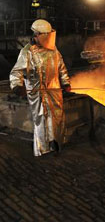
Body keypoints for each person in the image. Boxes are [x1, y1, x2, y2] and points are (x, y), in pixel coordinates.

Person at [9, 19, 71, 156]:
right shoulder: (28, 52)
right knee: (41, 119)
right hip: (37, 93)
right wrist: (17, 86)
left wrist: (65, 83)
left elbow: (61, 68)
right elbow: (16, 71)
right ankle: (43, 149)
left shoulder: (53, 49)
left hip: (54, 90)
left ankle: (56, 143)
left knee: (57, 117)